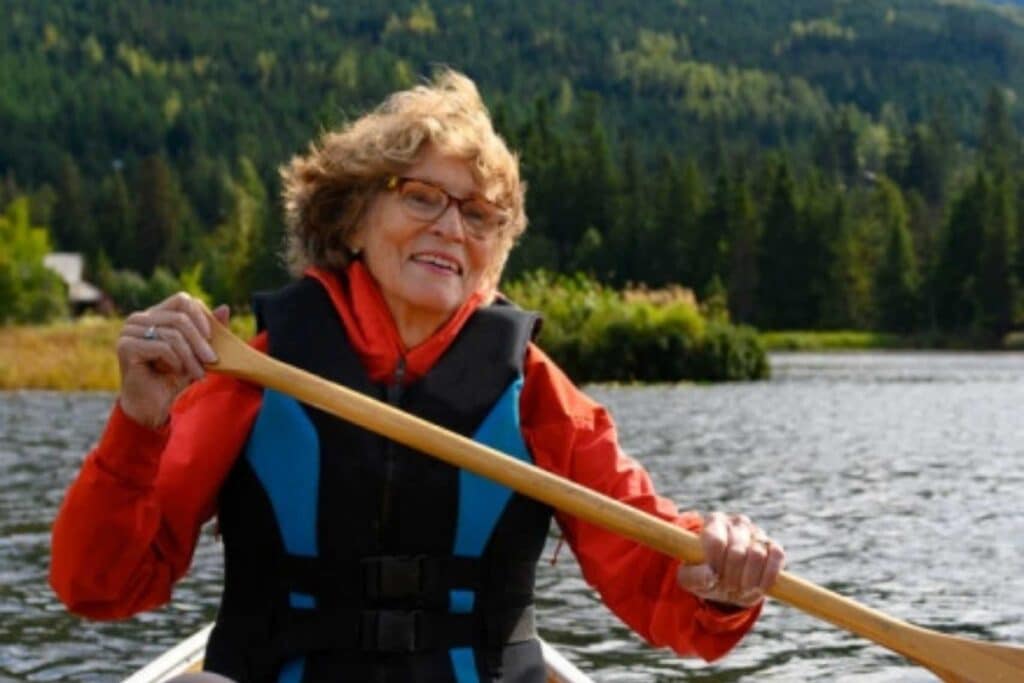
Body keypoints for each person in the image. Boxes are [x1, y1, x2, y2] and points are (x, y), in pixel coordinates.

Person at [50, 70, 785, 683]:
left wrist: (716, 578)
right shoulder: (257, 371)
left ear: (493, 251)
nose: (451, 228)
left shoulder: (533, 390)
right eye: (421, 196)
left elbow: (658, 581)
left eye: (479, 214)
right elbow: (99, 586)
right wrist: (138, 422)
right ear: (352, 219)